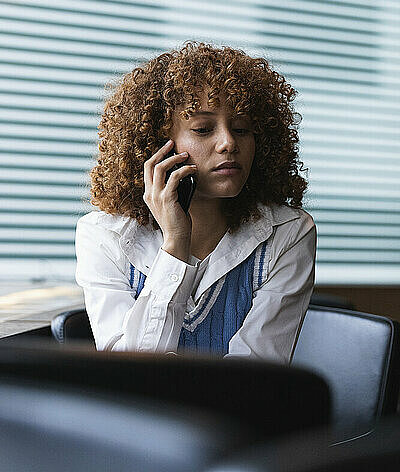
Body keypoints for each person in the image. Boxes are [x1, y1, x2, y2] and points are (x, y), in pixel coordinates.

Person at [75, 41, 316, 363]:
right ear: (157, 145)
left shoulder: (287, 231)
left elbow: (256, 376)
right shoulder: (105, 234)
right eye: (203, 129)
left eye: (242, 128)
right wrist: (175, 244)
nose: (229, 143)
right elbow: (132, 371)